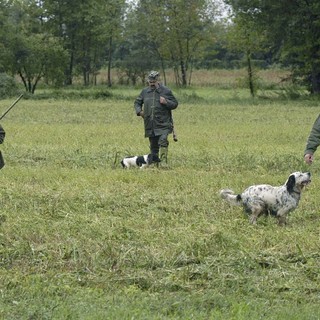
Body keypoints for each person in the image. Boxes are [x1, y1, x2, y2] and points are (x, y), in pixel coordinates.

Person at [134, 70, 178, 164]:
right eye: (150, 82)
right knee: (153, 145)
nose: (152, 84)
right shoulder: (145, 91)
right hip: (150, 123)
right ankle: (154, 163)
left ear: (158, 81)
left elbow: (175, 104)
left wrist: (166, 102)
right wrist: (139, 112)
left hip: (163, 123)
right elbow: (137, 103)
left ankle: (163, 162)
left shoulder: (166, 91)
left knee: (162, 140)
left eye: (154, 82)